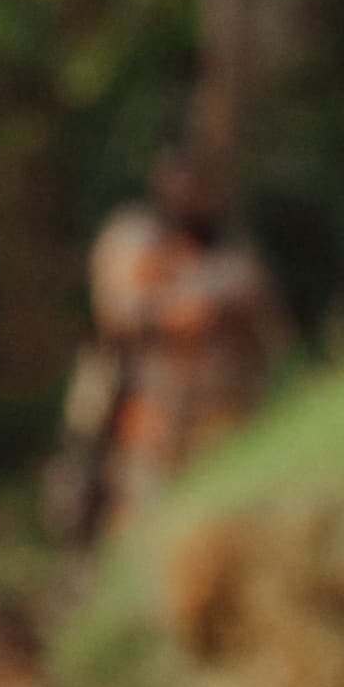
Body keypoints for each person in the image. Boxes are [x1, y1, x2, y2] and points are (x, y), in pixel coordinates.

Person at [68, 122, 281, 530]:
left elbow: (270, 332)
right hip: (147, 434)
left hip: (224, 431)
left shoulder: (235, 254)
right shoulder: (132, 239)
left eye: (203, 183)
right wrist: (200, 307)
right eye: (183, 179)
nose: (193, 193)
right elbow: (121, 317)